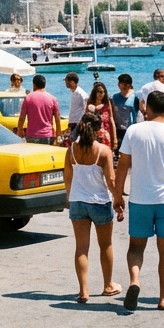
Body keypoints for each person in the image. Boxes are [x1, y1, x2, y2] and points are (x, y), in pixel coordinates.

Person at [112, 90, 164, 311]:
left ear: (147, 108)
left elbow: (122, 165)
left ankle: (135, 281)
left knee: (136, 247)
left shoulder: (134, 131)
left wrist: (117, 194)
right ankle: (163, 299)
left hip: (140, 199)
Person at [64, 111, 120, 303]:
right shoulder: (103, 151)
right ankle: (108, 285)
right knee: (105, 246)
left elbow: (68, 177)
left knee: (81, 248)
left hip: (78, 202)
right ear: (97, 130)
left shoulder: (72, 149)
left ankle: (83, 290)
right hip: (99, 202)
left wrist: (68, 198)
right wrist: (118, 200)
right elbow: (111, 180)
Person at [17, 75, 62, 144]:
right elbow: (57, 118)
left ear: (34, 85)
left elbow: (22, 117)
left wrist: (20, 130)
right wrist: (58, 134)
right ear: (44, 85)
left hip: (32, 135)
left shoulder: (28, 98)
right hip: (47, 135)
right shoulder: (52, 99)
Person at [112, 74, 140, 152]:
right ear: (118, 85)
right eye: (122, 83)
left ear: (130, 85)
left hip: (130, 130)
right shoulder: (115, 97)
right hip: (118, 129)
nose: (124, 86)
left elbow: (139, 113)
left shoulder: (135, 97)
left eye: (126, 84)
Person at [85, 82, 117, 150]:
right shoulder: (90, 103)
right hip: (92, 136)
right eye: (99, 92)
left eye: (103, 92)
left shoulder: (107, 103)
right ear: (95, 93)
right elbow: (85, 119)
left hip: (105, 135)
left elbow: (111, 119)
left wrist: (114, 138)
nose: (101, 94)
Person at [64, 72, 88, 136]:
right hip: (73, 121)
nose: (65, 83)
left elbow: (85, 108)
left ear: (72, 82)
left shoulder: (80, 93)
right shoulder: (74, 92)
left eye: (66, 81)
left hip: (77, 122)